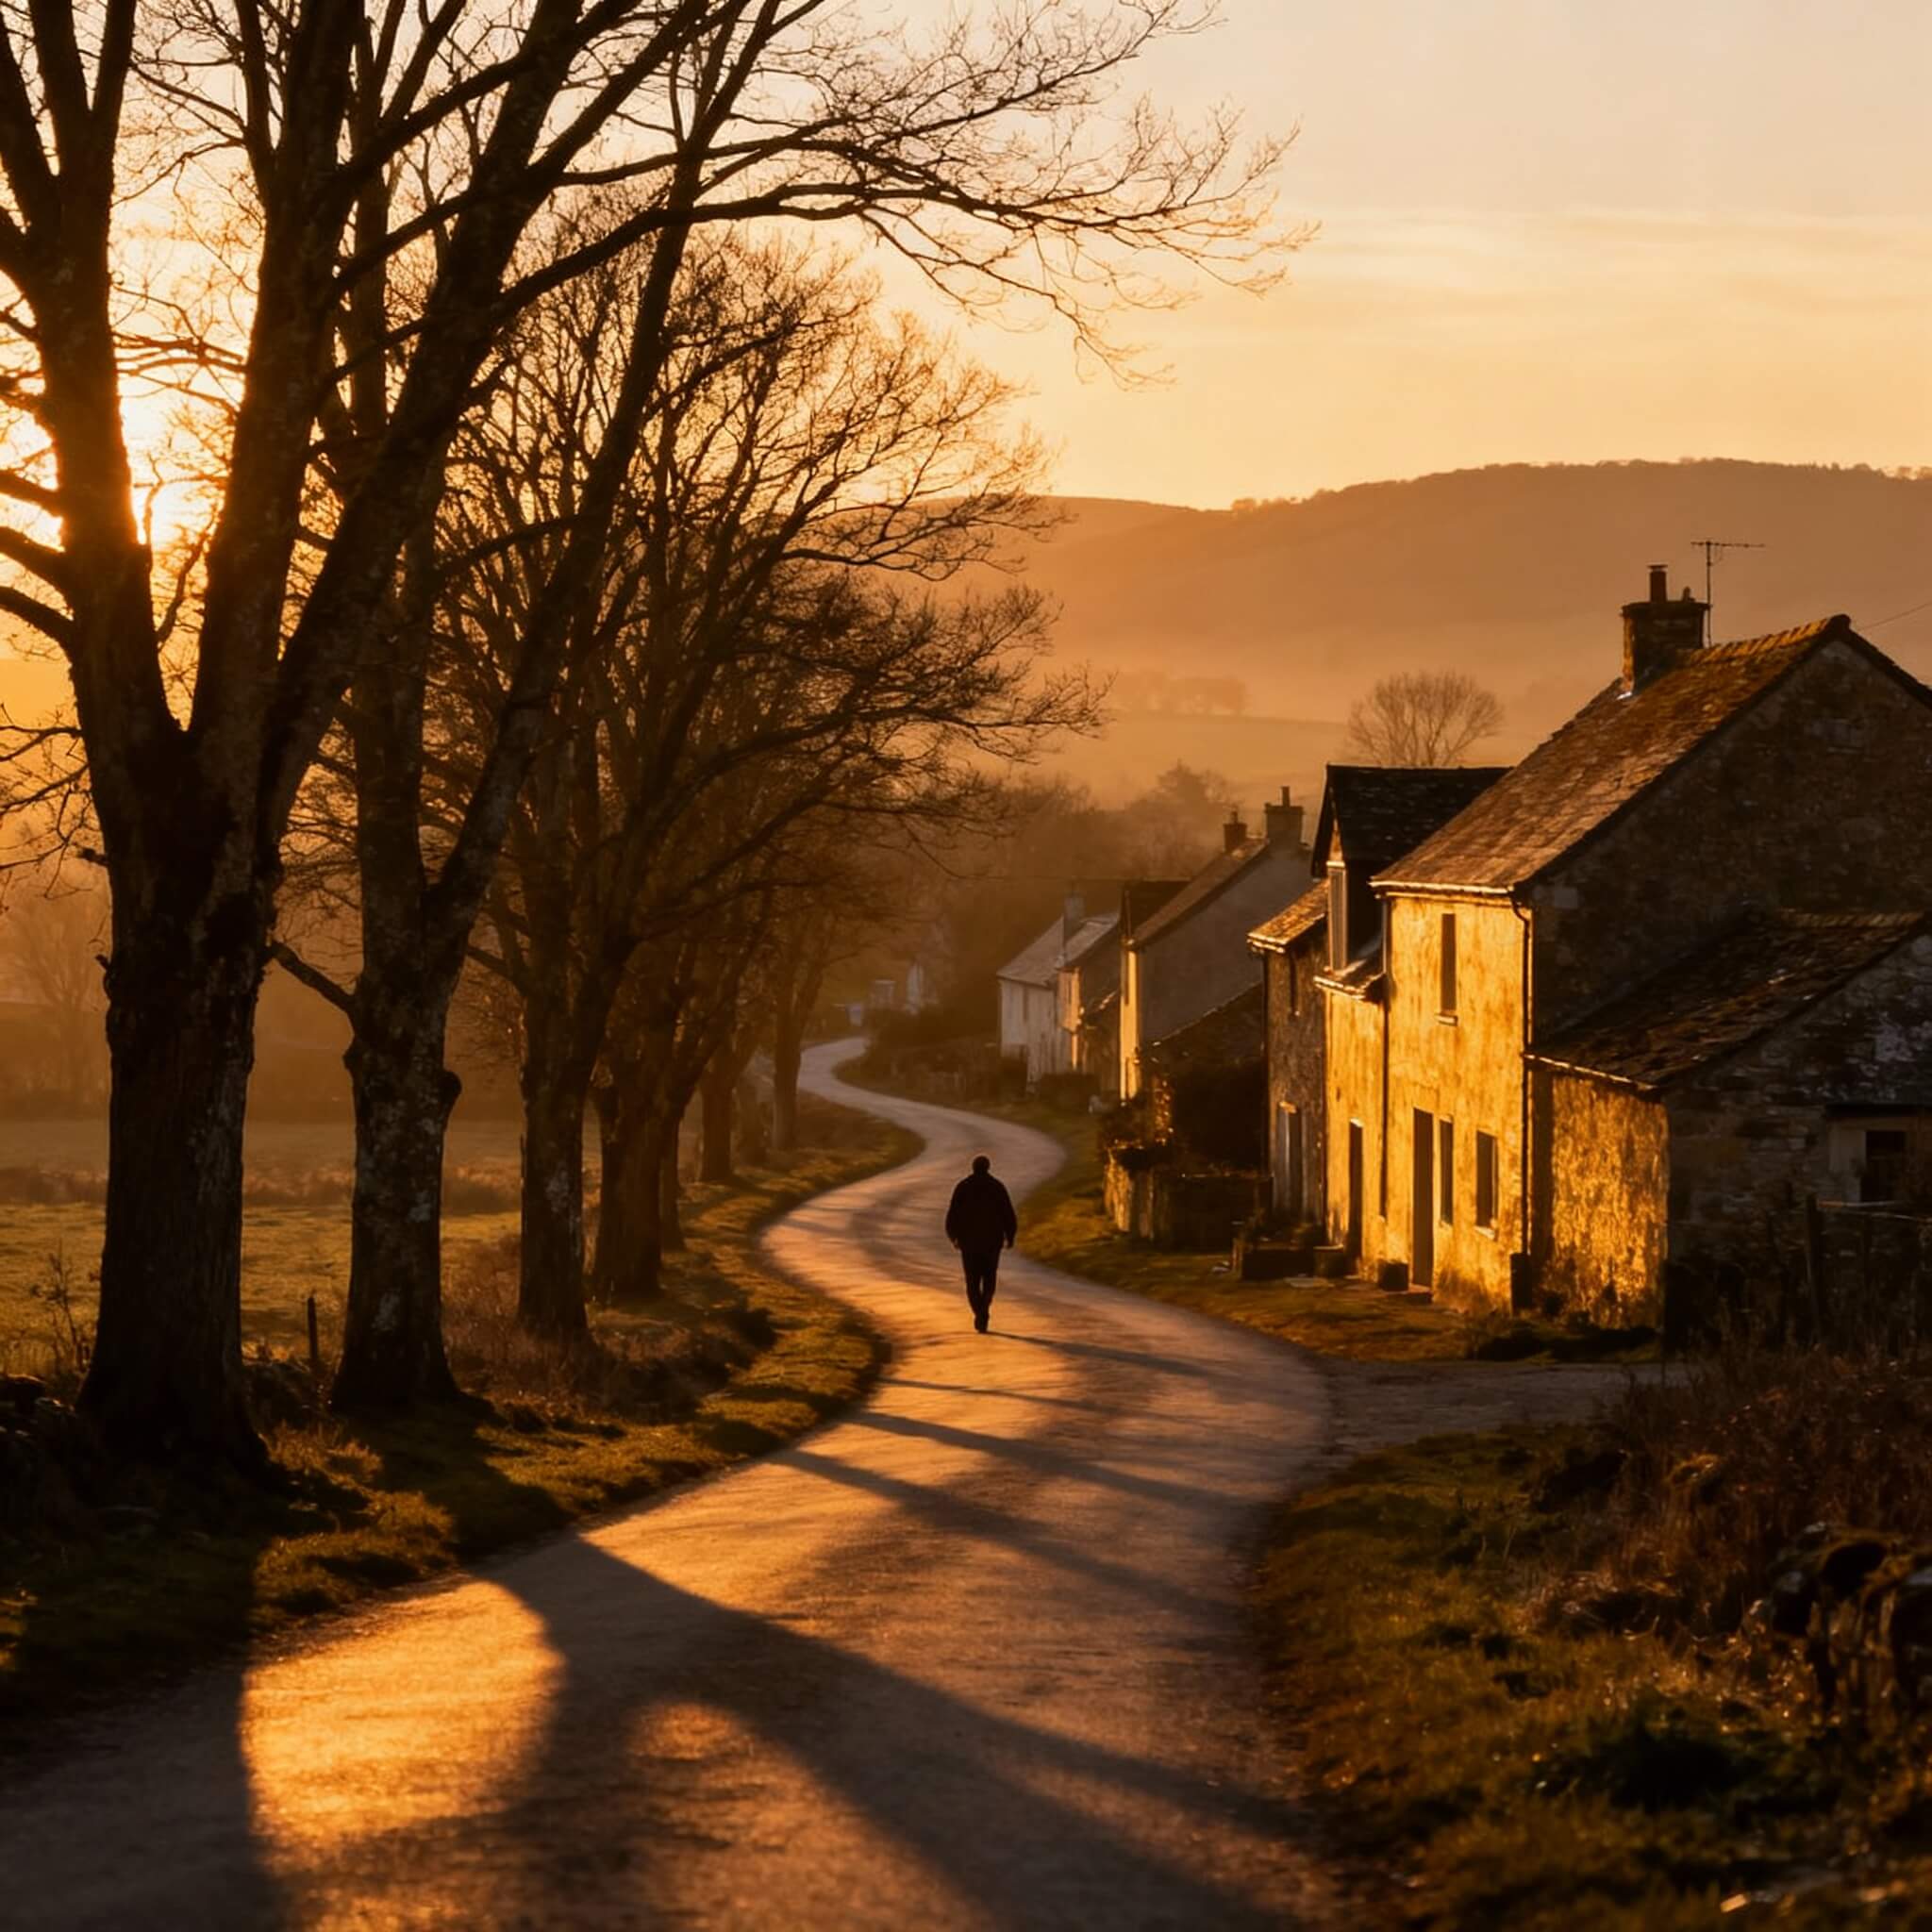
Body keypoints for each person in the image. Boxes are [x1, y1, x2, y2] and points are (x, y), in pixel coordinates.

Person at [945, 1153, 1018, 1333]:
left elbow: (953, 1214)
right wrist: (1010, 1236)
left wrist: (953, 1236)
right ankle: (984, 1307)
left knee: (972, 1281)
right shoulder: (997, 1187)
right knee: (989, 1278)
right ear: (988, 1167)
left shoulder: (963, 1187)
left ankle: (980, 1311)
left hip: (969, 1243)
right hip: (992, 1242)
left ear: (973, 1168)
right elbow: (1008, 1214)